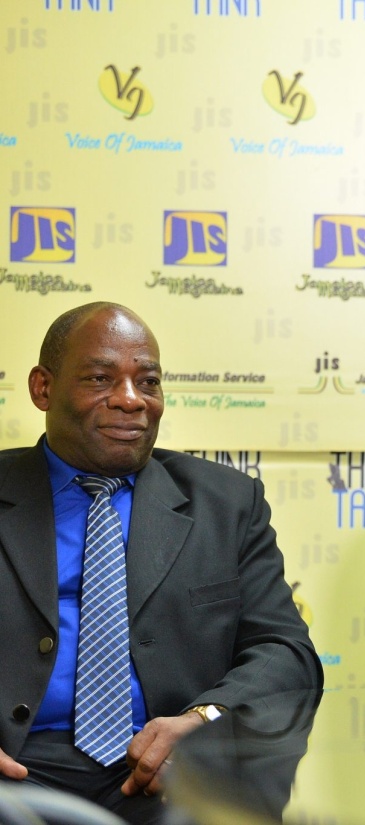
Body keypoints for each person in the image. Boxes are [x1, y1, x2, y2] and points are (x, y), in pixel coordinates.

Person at [0, 303, 321, 820]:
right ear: (43, 388)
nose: (130, 401)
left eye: (147, 382)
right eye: (100, 378)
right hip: (15, 766)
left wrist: (203, 718)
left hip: (170, 773)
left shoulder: (227, 504)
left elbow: (285, 651)